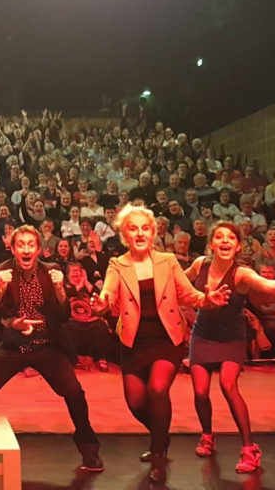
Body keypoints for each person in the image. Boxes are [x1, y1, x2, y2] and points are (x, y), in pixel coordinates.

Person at [99, 204, 229, 483]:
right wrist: (102, 302)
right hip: (133, 342)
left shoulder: (167, 261)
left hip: (166, 339)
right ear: (124, 234)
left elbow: (188, 294)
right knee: (135, 403)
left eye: (145, 228)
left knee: (158, 391)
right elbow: (108, 293)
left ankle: (158, 454)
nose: (140, 233)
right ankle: (162, 435)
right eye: (133, 228)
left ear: (154, 231)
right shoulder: (117, 264)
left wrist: (207, 301)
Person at [184, 222, 275, 474]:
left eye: (230, 238)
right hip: (202, 335)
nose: (225, 241)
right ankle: (207, 435)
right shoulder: (200, 264)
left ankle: (250, 448)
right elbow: (180, 283)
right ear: (211, 243)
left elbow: (270, 286)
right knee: (200, 392)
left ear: (237, 246)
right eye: (219, 237)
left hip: (231, 337)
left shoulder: (242, 273)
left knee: (228, 385)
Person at [0, 226, 104, 473]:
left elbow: (64, 316)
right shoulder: (1, 271)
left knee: (74, 392)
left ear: (39, 249)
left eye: (30, 244)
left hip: (47, 345)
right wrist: (0, 291)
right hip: (13, 344)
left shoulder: (52, 271)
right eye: (20, 244)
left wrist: (60, 290)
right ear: (12, 248)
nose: (26, 249)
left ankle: (89, 450)